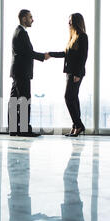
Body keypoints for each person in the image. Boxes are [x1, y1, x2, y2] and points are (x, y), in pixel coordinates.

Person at [8, 9, 50, 137]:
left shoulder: (17, 32)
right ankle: (25, 129)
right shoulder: (22, 33)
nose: (33, 19)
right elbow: (28, 53)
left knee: (14, 100)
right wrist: (43, 56)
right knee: (24, 99)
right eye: (30, 17)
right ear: (23, 18)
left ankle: (14, 129)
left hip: (17, 71)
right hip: (22, 72)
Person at [47, 13, 88, 137]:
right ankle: (76, 126)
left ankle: (79, 125)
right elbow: (65, 54)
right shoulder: (72, 37)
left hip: (76, 73)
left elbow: (83, 57)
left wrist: (77, 74)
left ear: (77, 22)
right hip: (70, 73)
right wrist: (50, 54)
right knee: (73, 98)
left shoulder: (82, 36)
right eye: (68, 21)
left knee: (68, 97)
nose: (69, 23)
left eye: (71, 21)